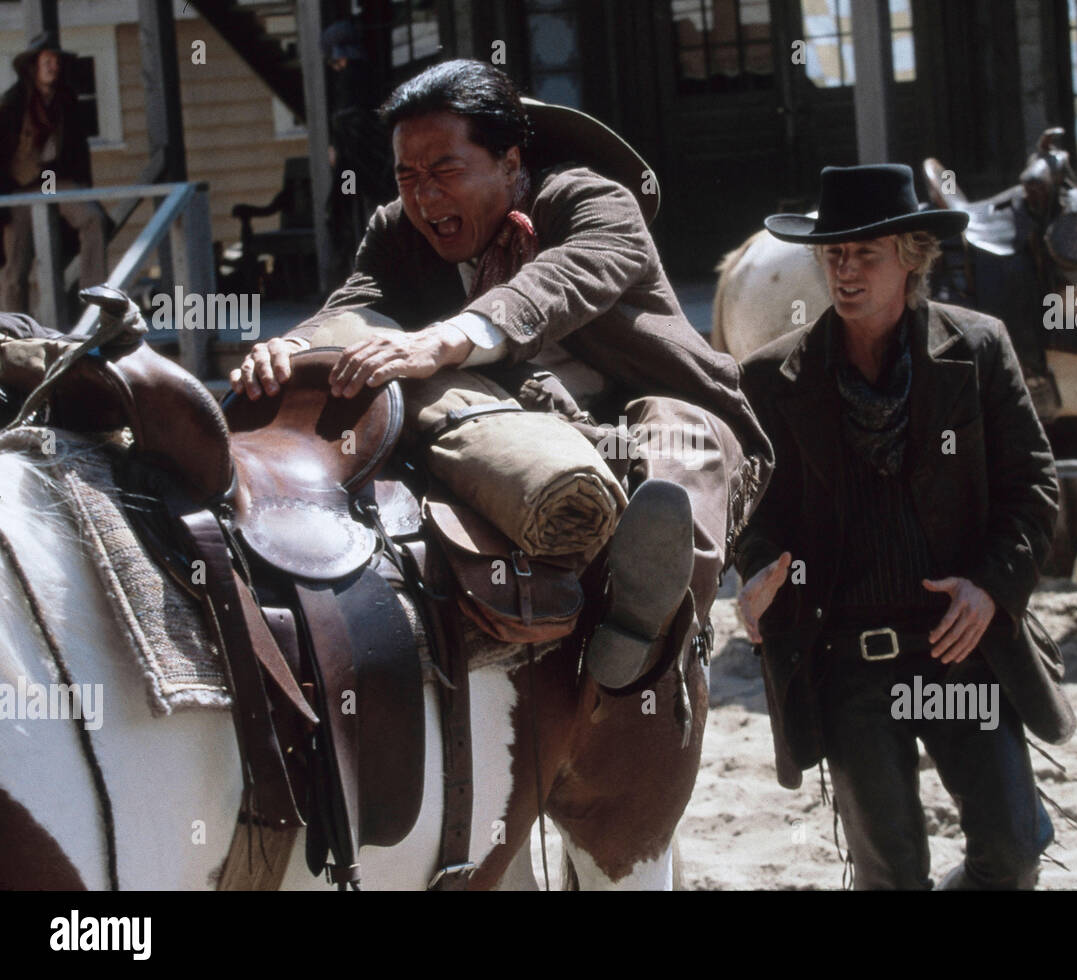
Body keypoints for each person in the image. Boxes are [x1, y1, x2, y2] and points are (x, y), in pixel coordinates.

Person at [231, 59, 772, 691]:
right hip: (517, 417)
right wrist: (289, 350)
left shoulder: (589, 201)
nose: (424, 196)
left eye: (446, 171)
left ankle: (650, 624)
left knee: (684, 445)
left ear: (511, 165)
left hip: (638, 407)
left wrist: (448, 337)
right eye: (408, 175)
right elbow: (354, 304)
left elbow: (564, 280)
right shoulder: (397, 231)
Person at [736, 165, 1075, 889]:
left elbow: (1034, 489)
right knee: (892, 873)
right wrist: (760, 579)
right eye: (833, 255)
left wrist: (991, 587)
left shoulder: (978, 351)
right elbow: (756, 513)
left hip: (963, 648)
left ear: (912, 257)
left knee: (1013, 852)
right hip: (851, 661)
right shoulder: (773, 379)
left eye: (866, 253)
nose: (845, 271)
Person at [0, 32, 106, 315]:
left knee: (93, 218)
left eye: (56, 62)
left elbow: (78, 150)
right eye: (47, 61)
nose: (52, 67)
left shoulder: (66, 101)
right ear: (33, 67)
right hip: (19, 187)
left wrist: (85, 186)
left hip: (55, 181)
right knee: (15, 268)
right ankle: (13, 332)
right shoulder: (12, 103)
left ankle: (94, 301)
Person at [319, 19, 395, 285]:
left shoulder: (357, 79)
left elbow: (353, 122)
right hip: (354, 164)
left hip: (360, 163)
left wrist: (340, 148)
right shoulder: (353, 78)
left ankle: (362, 274)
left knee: (357, 214)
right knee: (349, 214)